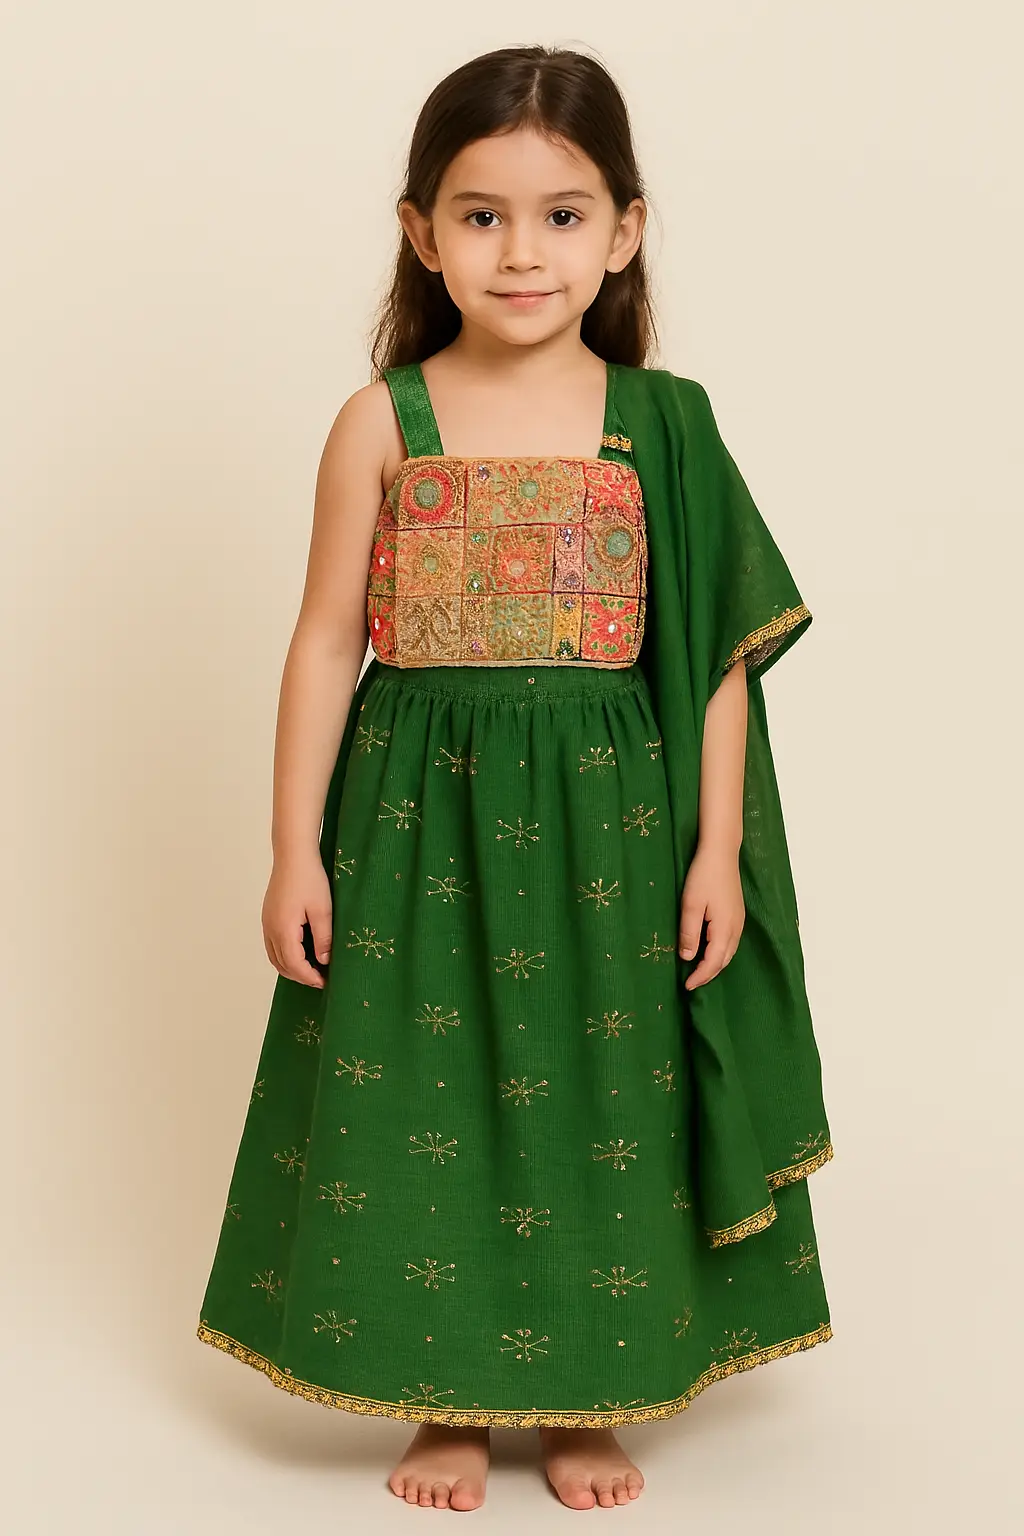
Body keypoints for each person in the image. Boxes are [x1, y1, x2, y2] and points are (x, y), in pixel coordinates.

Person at [195, 44, 834, 1514]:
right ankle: (448, 1399)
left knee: (604, 1099)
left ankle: (585, 1394)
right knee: (429, 1098)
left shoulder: (663, 425)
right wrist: (292, 852)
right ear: (421, 234)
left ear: (624, 231)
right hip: (415, 826)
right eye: (481, 216)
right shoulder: (383, 422)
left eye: (562, 215)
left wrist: (715, 851)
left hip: (613, 826)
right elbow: (323, 641)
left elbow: (714, 660)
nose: (522, 252)